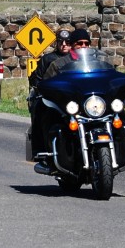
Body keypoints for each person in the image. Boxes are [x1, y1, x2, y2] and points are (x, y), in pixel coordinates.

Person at [28, 28, 91, 163]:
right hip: (61, 99)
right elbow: (40, 80)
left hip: (84, 99)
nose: (64, 44)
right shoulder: (50, 60)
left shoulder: (90, 59)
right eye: (60, 41)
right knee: (40, 108)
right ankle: (40, 150)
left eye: (67, 42)